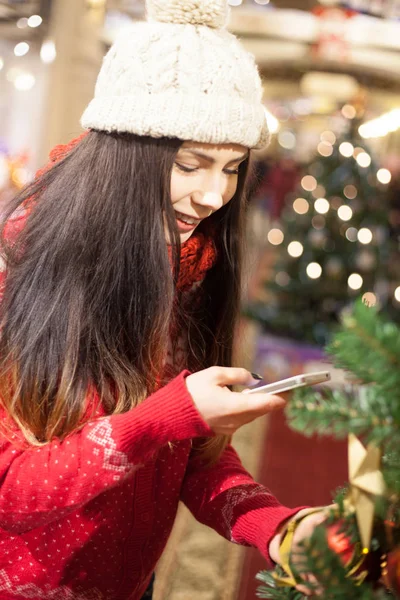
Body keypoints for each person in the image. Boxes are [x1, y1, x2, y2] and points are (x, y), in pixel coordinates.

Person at [0, 1, 328, 598]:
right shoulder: (15, 285)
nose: (213, 195)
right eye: (190, 164)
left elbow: (191, 459)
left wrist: (277, 529)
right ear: (123, 157)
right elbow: (11, 493)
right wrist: (161, 418)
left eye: (231, 169)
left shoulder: (191, 275)